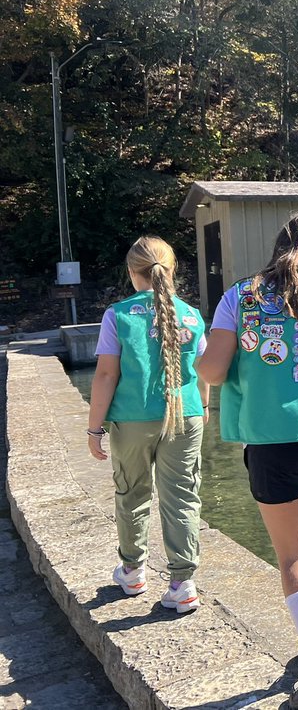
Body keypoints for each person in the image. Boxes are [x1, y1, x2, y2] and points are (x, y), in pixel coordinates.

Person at [195, 210, 298, 709]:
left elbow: (213, 372)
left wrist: (200, 355)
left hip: (272, 438)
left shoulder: (242, 295)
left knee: (293, 553)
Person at [87, 236, 208, 614]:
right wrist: (202, 407)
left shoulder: (118, 315)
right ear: (172, 270)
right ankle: (182, 583)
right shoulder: (191, 314)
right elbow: (203, 371)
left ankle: (132, 570)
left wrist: (94, 429)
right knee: (183, 497)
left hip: (133, 418)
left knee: (132, 493)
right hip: (186, 415)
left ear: (131, 273)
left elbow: (107, 374)